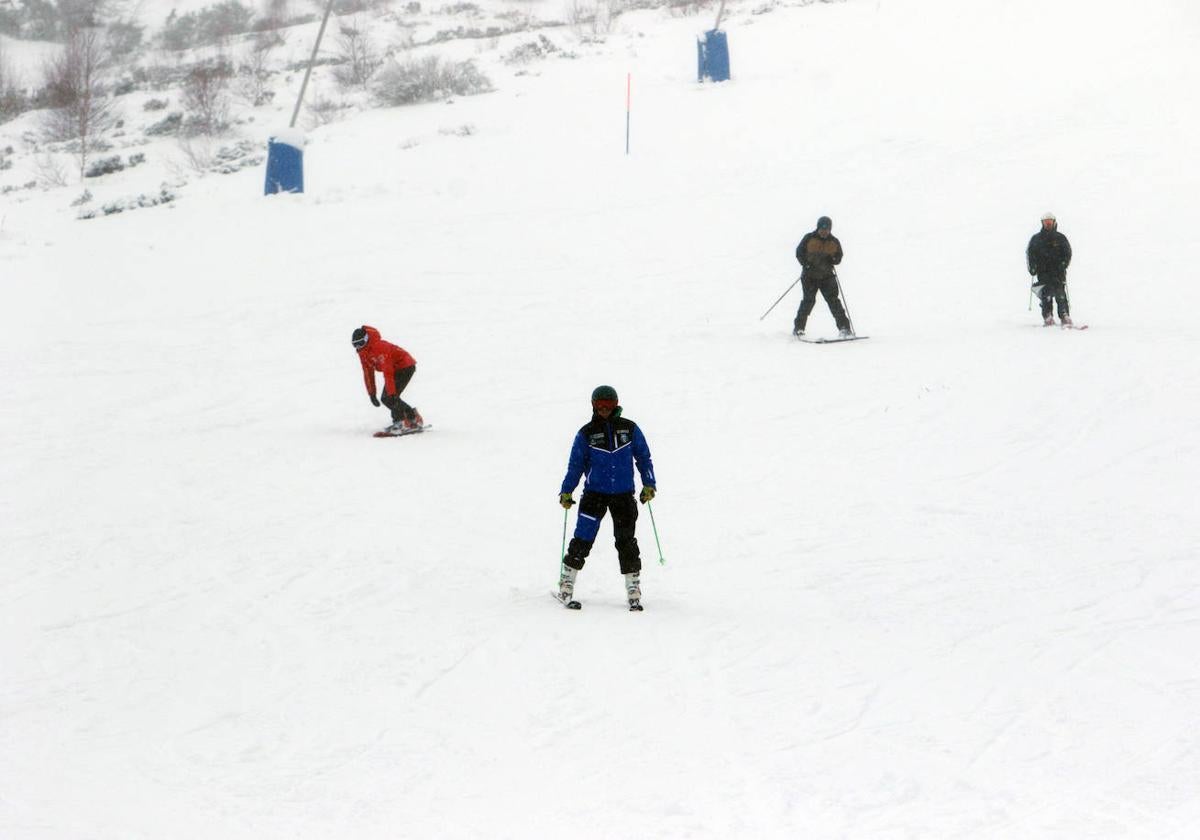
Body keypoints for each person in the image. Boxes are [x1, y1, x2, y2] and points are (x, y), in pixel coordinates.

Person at [558, 385, 656, 610]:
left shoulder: (629, 429)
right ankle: (567, 582)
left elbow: (643, 457)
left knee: (626, 541)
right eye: (599, 405)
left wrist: (649, 484)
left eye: (608, 405)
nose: (603, 409)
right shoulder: (587, 433)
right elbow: (575, 465)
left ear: (616, 405)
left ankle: (633, 587)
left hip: (623, 495)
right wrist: (567, 490)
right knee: (583, 539)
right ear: (593, 406)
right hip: (595, 495)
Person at [352, 325, 424, 431]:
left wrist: (392, 393)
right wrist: (372, 393)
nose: (359, 347)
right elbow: (368, 373)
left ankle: (403, 421)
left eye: (360, 343)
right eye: (355, 345)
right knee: (389, 398)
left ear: (366, 339)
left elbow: (388, 371)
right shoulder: (363, 352)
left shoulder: (379, 347)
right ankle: (412, 418)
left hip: (405, 366)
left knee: (389, 397)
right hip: (395, 369)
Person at [793, 215, 852, 338]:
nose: (824, 231)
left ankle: (845, 329)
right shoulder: (809, 238)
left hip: (827, 277)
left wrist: (834, 259)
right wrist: (806, 263)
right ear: (818, 228)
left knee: (834, 302)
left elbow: (839, 257)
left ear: (830, 229)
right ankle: (799, 328)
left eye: (827, 229)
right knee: (808, 302)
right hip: (810, 277)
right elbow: (799, 252)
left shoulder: (834, 242)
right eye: (822, 228)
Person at [1026, 212, 1073, 326]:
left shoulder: (1061, 238)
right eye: (1046, 222)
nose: (1048, 224)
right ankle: (1048, 317)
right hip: (1043, 271)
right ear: (1042, 223)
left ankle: (1064, 316)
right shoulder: (1036, 239)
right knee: (1046, 295)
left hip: (1058, 271)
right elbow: (1030, 254)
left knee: (1060, 294)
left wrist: (1064, 263)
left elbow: (1068, 253)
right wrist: (1032, 267)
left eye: (1050, 222)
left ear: (1054, 222)